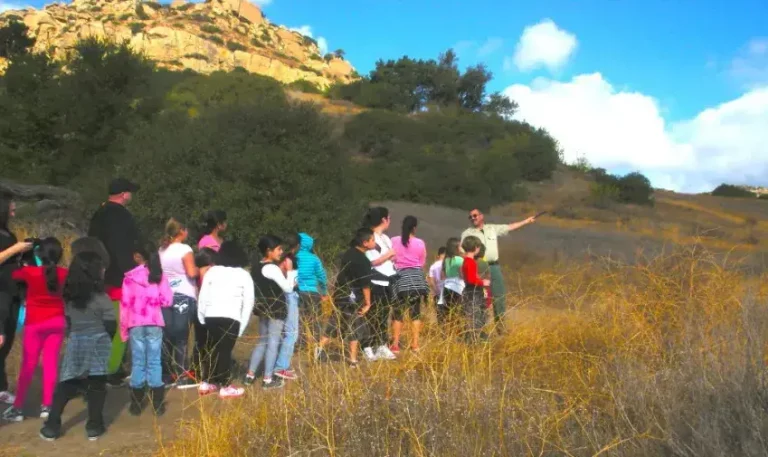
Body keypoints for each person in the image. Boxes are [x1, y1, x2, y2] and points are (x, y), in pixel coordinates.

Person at [39, 251, 116, 441]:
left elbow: (69, 322)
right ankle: (94, 427)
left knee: (67, 383)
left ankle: (51, 426)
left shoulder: (69, 297)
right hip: (99, 343)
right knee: (97, 385)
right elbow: (111, 326)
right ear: (94, 272)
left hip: (77, 342)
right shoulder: (102, 298)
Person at [2, 238, 67, 422]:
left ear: (39, 254)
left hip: (35, 324)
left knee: (28, 366)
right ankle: (47, 405)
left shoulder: (29, 273)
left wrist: (22, 254)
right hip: (57, 322)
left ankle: (18, 408)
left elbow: (12, 275)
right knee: (51, 364)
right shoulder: (64, 273)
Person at [87, 178, 141, 386]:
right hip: (119, 280)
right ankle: (110, 370)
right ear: (124, 194)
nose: (131, 196)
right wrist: (131, 272)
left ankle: (99, 367)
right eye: (130, 192)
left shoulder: (98, 214)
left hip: (97, 277)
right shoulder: (121, 215)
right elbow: (122, 247)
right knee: (121, 326)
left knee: (102, 326)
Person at [461, 208, 536, 330]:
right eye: (470, 217)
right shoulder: (467, 233)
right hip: (478, 266)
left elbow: (509, 227)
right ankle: (478, 328)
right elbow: (462, 251)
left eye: (475, 215)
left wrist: (526, 221)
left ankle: (500, 328)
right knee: (479, 297)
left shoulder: (492, 229)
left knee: (499, 296)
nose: (473, 218)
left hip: (494, 266)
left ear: (481, 216)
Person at [121, 241, 173, 417]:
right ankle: (157, 403)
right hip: (154, 321)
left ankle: (136, 404)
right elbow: (167, 300)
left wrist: (123, 330)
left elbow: (125, 305)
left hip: (135, 323)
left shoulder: (129, 278)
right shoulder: (158, 275)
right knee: (154, 361)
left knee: (137, 362)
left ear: (137, 256)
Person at [196, 241, 254, 398]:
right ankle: (225, 385)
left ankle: (206, 382)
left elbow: (203, 295)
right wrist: (241, 326)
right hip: (231, 317)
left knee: (212, 349)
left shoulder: (212, 272)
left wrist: (202, 317)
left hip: (210, 316)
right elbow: (248, 302)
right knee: (225, 352)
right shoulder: (244, 275)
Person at [314, 228, 376, 367]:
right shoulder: (363, 260)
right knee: (354, 325)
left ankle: (319, 348)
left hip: (340, 294)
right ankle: (353, 360)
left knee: (335, 323)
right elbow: (365, 284)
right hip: (352, 297)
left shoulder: (348, 253)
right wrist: (368, 303)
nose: (374, 242)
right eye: (373, 240)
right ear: (365, 243)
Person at [246, 235, 296, 390]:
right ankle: (267, 379)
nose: (281, 252)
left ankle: (249, 375)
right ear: (269, 251)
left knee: (262, 341)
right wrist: (291, 272)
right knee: (273, 342)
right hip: (275, 308)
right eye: (278, 249)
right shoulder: (272, 268)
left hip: (262, 307)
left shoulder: (255, 266)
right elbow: (287, 288)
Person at [158, 218, 199, 388]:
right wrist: (200, 269)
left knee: (167, 335)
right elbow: (190, 272)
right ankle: (182, 374)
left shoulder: (162, 249)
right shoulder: (185, 249)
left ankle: (166, 375)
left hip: (166, 294)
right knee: (181, 337)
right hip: (184, 293)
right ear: (181, 231)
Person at [0, 196, 33, 405]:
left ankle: (1, 388)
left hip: (11, 293)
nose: (13, 214)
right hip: (0, 293)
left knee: (6, 343)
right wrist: (15, 249)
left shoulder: (7, 233)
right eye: (10, 210)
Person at [361, 207, 397, 361]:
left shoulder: (386, 239)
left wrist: (390, 258)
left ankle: (381, 345)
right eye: (389, 217)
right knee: (372, 316)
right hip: (375, 281)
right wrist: (388, 255)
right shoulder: (370, 237)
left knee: (383, 315)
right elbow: (371, 262)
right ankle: (367, 347)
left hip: (387, 281)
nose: (390, 221)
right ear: (383, 219)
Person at [389, 216, 428, 354]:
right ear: (415, 228)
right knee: (415, 313)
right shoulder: (420, 243)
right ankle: (415, 345)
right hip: (416, 279)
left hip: (399, 278)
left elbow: (391, 258)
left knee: (397, 313)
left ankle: (395, 345)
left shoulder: (393, 240)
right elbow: (422, 262)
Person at [272, 234, 300, 381]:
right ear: (297, 246)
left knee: (283, 333)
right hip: (290, 296)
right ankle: (281, 366)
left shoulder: (278, 261)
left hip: (280, 297)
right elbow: (291, 283)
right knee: (292, 333)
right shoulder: (289, 261)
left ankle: (280, 364)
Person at [295, 232, 328, 347]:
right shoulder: (314, 259)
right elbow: (322, 276)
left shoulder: (295, 257)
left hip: (297, 291)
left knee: (299, 318)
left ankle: (298, 342)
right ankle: (313, 343)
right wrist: (324, 292)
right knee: (314, 319)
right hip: (313, 293)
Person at [460, 236, 490, 343]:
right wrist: (483, 282)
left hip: (468, 291)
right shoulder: (471, 262)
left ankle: (471, 339)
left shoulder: (466, 260)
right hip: (473, 292)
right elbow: (472, 279)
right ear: (476, 248)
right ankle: (473, 341)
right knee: (475, 317)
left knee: (470, 316)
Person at [441, 237, 464, 321]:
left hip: (447, 287)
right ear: (457, 247)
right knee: (458, 313)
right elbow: (462, 275)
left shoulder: (446, 260)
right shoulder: (460, 260)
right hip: (458, 288)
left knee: (448, 312)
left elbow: (443, 275)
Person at [427, 247, 446, 320]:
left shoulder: (433, 266)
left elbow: (431, 281)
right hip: (448, 293)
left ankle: (441, 330)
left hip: (437, 294)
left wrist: (436, 290)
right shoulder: (449, 264)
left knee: (440, 315)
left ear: (438, 256)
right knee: (449, 314)